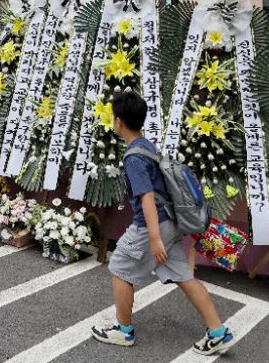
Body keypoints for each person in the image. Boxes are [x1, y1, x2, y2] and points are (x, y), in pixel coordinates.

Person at [90, 91, 235, 355]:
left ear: (118, 121)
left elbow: (147, 198)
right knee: (183, 275)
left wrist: (154, 239)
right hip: (171, 223)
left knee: (119, 265)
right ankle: (218, 332)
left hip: (152, 226)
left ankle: (123, 332)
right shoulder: (147, 146)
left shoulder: (134, 157)